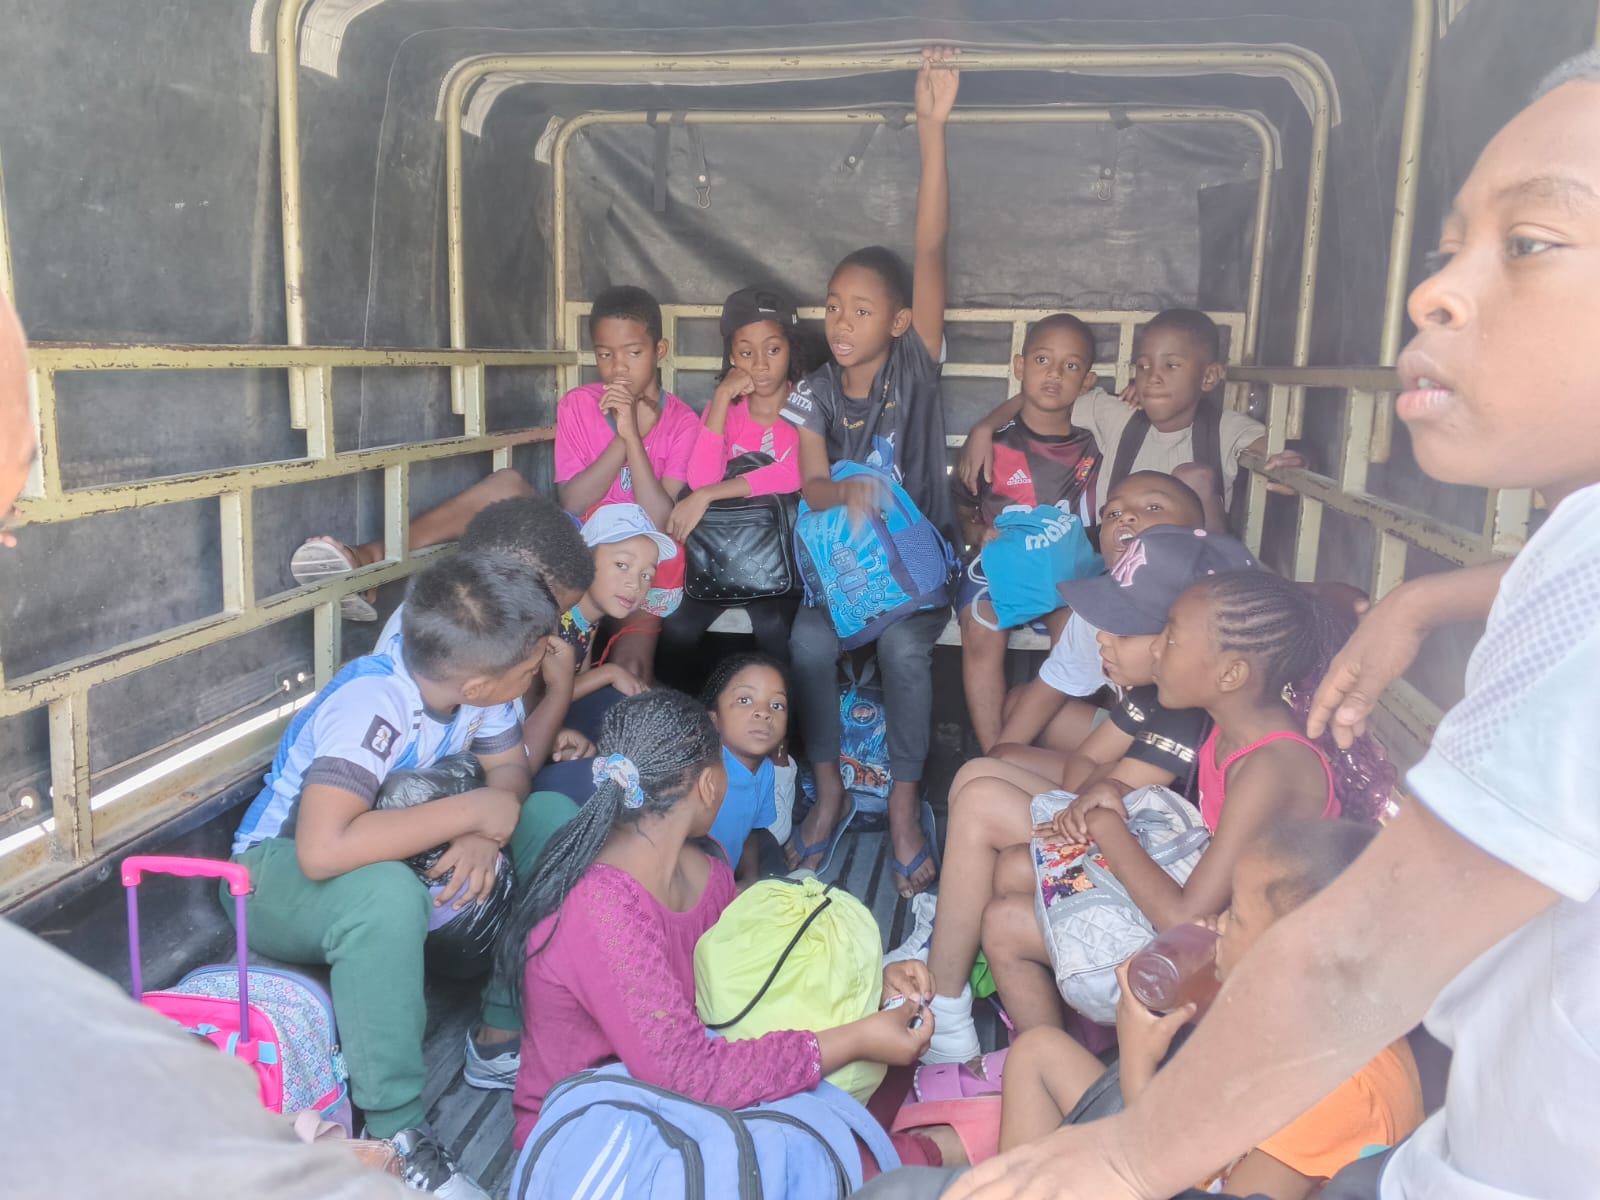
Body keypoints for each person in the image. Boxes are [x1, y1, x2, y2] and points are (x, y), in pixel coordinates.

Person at [941, 52, 1600, 1200]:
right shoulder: (1569, 562)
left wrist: (1131, 1153)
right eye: (1446, 248)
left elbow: (1349, 959)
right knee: (995, 799)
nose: (1433, 294)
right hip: (1442, 1157)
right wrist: (1424, 597)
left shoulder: (1276, 750)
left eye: (1530, 241)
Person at [862, 820, 1423, 1200]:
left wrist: (1135, 1061)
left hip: (1163, 1172)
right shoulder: (1327, 1011)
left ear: (1296, 959)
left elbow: (1167, 1176)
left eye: (1238, 917)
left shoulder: (1340, 1097)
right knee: (1038, 1052)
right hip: (1187, 1143)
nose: (1218, 922)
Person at [228, 552, 557, 1198]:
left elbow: (512, 775)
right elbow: (321, 850)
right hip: (267, 876)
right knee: (387, 895)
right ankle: (395, 1136)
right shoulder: (373, 703)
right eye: (532, 667)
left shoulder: (478, 693)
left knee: (548, 816)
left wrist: (485, 831)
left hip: (391, 849)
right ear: (479, 685)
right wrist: (472, 811)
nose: (539, 671)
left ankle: (499, 1032)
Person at [492, 688, 935, 1149]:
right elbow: (688, 1074)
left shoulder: (710, 868)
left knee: (890, 1078)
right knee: (869, 1125)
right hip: (590, 1136)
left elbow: (748, 982)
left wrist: (869, 988)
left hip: (668, 1098)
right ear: (709, 784)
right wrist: (856, 1039)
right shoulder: (601, 908)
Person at [980, 568, 1396, 1037]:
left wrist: (1105, 824)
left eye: (1172, 638)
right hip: (1219, 918)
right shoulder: (1233, 727)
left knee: (1005, 924)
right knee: (1017, 866)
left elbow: (1180, 917)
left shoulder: (1269, 768)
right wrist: (1113, 792)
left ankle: (1071, 1066)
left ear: (1231, 674)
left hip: (1255, 967)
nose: (1157, 648)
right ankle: (1088, 1041)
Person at [919, 524, 1255, 1064]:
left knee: (991, 825)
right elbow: (1089, 764)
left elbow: (1119, 796)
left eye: (1125, 629)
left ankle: (946, 997)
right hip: (1132, 839)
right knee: (981, 773)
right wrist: (1090, 796)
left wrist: (1094, 798)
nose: (1102, 637)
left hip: (1153, 866)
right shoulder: (1156, 690)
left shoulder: (1186, 709)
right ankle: (956, 945)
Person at [782, 46, 961, 896]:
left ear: (896, 322)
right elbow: (811, 486)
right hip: (846, 576)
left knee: (904, 649)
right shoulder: (814, 390)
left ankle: (902, 803)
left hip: (915, 578)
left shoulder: (914, 367)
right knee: (806, 640)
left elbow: (931, 249)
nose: (842, 322)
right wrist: (843, 490)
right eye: (832, 308)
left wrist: (932, 131)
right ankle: (825, 792)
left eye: (861, 310)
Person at [959, 310, 1306, 535]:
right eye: (1143, 366)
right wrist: (986, 427)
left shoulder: (1224, 429)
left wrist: (1295, 465)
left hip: (1194, 576)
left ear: (1209, 377)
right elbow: (1046, 393)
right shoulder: (1117, 415)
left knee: (1195, 478)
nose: (1153, 377)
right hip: (1118, 567)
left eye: (1171, 366)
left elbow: (1279, 455)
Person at [952, 312, 1104, 752]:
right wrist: (976, 532)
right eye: (1042, 360)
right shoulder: (992, 443)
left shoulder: (1099, 439)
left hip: (1068, 573)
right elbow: (963, 505)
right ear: (1020, 366)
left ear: (1087, 380)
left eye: (1070, 366)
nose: (1054, 373)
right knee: (981, 628)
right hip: (1001, 568)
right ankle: (994, 756)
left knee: (1077, 633)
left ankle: (1061, 755)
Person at [992, 471, 1205, 758]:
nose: (1125, 517)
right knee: (1016, 718)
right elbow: (1051, 687)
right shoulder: (1100, 602)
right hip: (1129, 736)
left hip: (1190, 754)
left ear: (1197, 533)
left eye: (1153, 507)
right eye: (1112, 513)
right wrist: (998, 758)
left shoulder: (1206, 608)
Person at [660, 287, 812, 675]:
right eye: (746, 353)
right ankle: (684, 710)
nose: (760, 364)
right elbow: (700, 476)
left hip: (779, 561)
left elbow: (793, 473)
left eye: (773, 350)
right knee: (677, 629)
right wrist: (722, 397)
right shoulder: (725, 410)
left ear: (791, 349)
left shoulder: (806, 406)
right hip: (719, 555)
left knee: (774, 627)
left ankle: (781, 711)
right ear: (731, 357)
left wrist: (707, 496)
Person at [520, 502, 677, 808]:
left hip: (555, 717)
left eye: (647, 575)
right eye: (622, 565)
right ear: (585, 561)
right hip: (524, 731)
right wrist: (610, 673)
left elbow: (575, 685)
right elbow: (538, 699)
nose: (635, 583)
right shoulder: (555, 616)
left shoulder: (587, 621)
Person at [702, 653, 792, 887]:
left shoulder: (766, 771)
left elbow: (750, 830)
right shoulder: (702, 770)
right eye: (745, 700)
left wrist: (749, 877)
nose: (764, 712)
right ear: (714, 718)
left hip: (725, 883)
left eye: (777, 705)